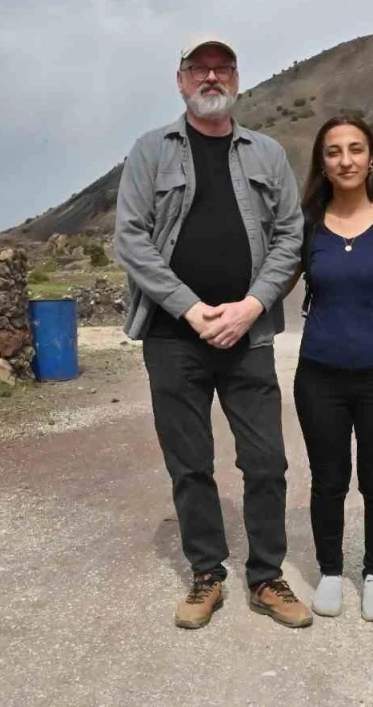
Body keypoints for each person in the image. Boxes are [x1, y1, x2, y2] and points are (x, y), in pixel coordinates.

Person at [113, 35, 312, 630]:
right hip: (173, 337)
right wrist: (191, 309)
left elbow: (291, 236)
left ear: (237, 79)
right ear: (180, 81)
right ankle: (207, 574)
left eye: (222, 68)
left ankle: (267, 576)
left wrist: (252, 306)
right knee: (190, 461)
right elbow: (132, 239)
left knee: (267, 461)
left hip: (248, 335)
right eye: (198, 68)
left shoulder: (267, 153)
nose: (210, 77)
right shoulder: (150, 152)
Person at [291, 116, 373, 622]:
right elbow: (272, 281)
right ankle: (330, 572)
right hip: (319, 375)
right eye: (334, 151)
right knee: (328, 480)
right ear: (322, 163)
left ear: (371, 159)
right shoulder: (305, 224)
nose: (345, 160)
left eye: (355, 149)